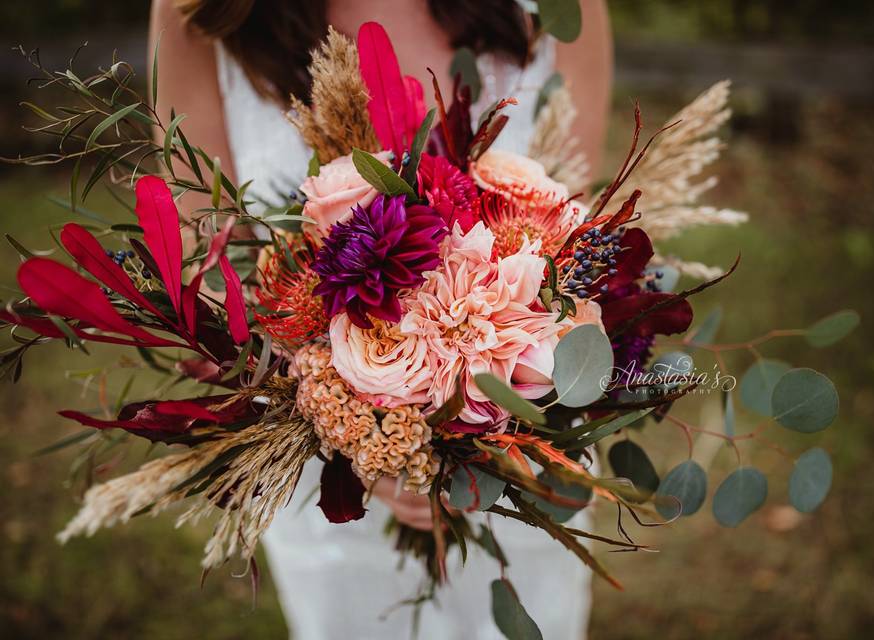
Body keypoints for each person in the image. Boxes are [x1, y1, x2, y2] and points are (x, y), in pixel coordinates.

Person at [148, 1, 612, 637]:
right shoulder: (197, 12)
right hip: (324, 468)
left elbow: (568, 239)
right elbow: (205, 260)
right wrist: (366, 438)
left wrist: (469, 427)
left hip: (524, 448)